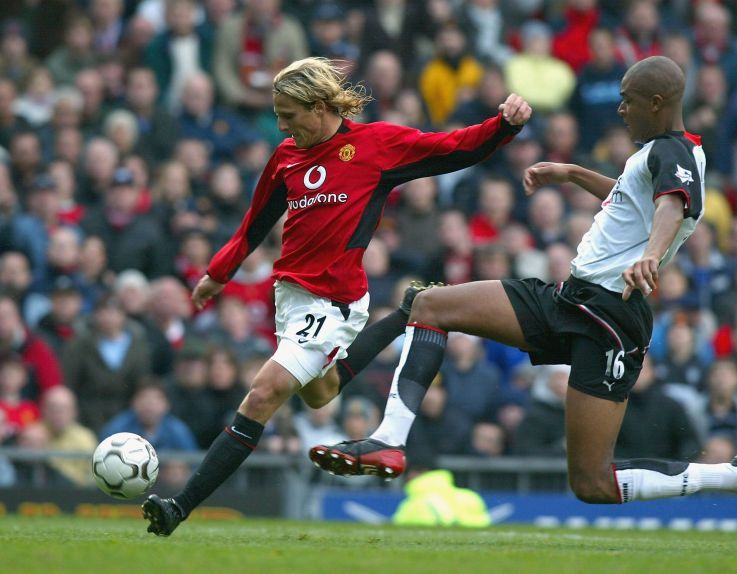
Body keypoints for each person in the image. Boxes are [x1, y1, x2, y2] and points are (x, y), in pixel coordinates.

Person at [312, 56, 737, 527]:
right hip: (571, 299)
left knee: (593, 483)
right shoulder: (667, 154)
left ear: (656, 103)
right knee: (430, 304)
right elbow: (634, 195)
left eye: (628, 100)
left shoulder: (672, 151)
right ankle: (388, 441)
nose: (620, 109)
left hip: (611, 321)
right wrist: (569, 173)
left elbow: (671, 205)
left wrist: (650, 255)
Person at [142, 56, 531, 536]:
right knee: (320, 394)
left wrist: (504, 125)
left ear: (321, 106)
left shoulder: (375, 145)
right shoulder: (286, 156)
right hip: (292, 301)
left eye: (289, 114)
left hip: (333, 301)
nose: (282, 125)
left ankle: (177, 509)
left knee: (262, 393)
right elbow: (253, 225)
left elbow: (452, 148)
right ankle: (404, 313)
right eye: (278, 114)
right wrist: (218, 273)